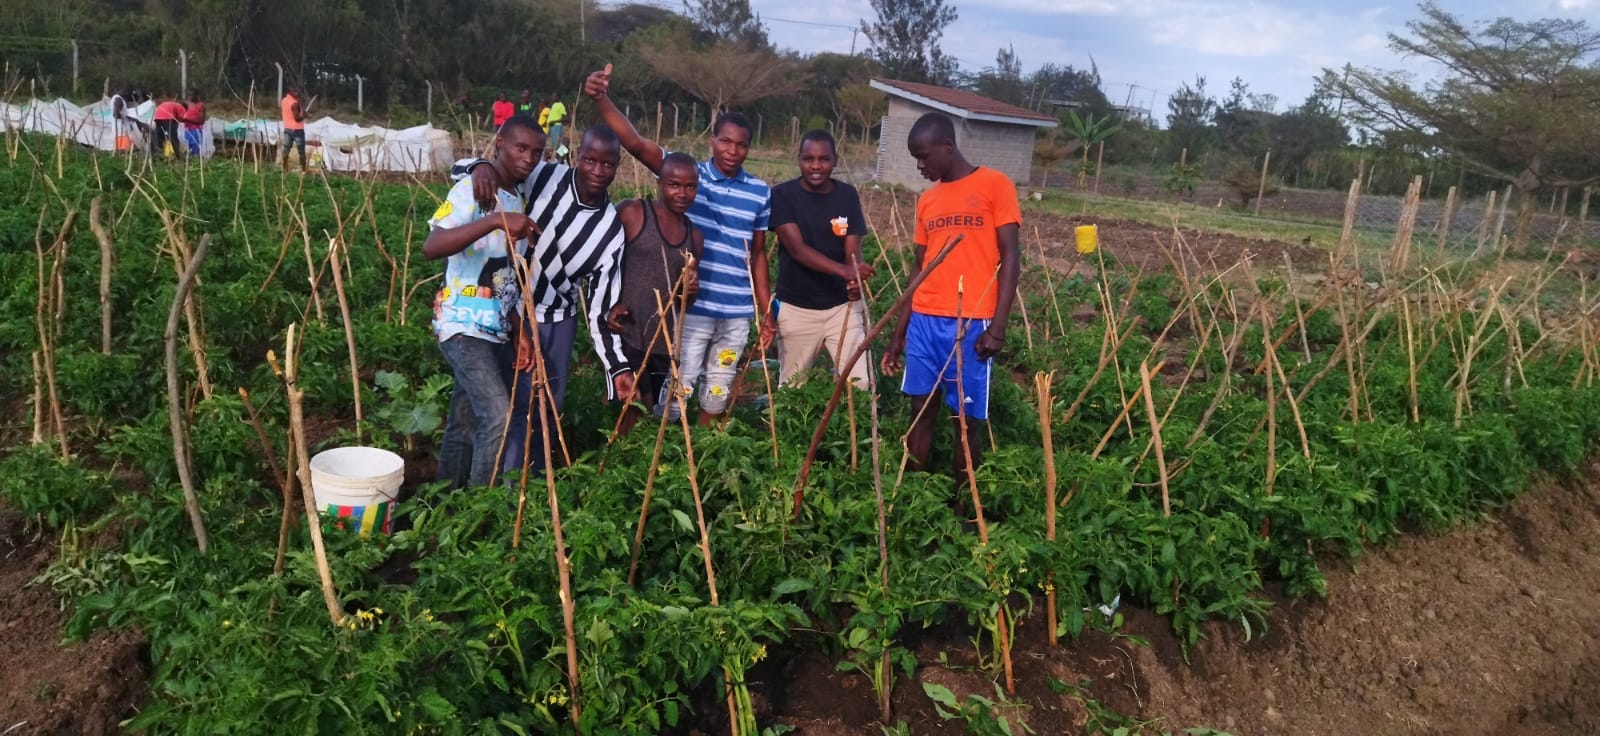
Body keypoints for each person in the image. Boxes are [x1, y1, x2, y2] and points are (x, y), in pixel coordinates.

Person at [583, 63, 774, 428]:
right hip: (691, 308)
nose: (733, 151)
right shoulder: (687, 175)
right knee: (675, 391)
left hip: (735, 310)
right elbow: (635, 142)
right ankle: (663, 455)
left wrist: (766, 311)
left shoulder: (760, 192)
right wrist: (601, 98)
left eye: (742, 144)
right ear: (712, 140)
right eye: (726, 141)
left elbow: (759, 253)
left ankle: (699, 451)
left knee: (718, 390)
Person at [457, 125, 632, 477]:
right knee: (489, 405)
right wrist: (480, 166)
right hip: (502, 310)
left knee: (542, 408)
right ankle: (480, 485)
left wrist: (617, 369)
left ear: (618, 166)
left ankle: (526, 485)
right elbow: (473, 170)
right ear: (576, 157)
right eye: (590, 160)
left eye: (607, 164)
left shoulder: (610, 229)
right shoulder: (545, 175)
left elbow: (600, 307)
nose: (598, 171)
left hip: (556, 321)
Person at [880, 112, 1022, 487]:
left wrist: (999, 328)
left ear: (948, 146)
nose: (920, 166)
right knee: (919, 410)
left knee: (966, 420)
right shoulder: (928, 200)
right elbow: (918, 269)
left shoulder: (995, 185)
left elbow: (1011, 257)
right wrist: (899, 334)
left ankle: (965, 506)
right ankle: (915, 497)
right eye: (916, 159)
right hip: (925, 321)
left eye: (924, 157)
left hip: (972, 322)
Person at [424, 115, 543, 489]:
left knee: (464, 421)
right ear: (500, 145)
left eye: (536, 152)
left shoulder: (516, 198)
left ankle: (445, 500)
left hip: (494, 330)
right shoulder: (472, 191)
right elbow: (433, 246)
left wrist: (520, 331)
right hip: (461, 325)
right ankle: (477, 509)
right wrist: (494, 221)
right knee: (498, 414)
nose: (528, 158)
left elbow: (508, 277)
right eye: (520, 148)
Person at [603, 152, 704, 436]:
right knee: (632, 407)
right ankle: (614, 466)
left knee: (650, 414)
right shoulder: (633, 213)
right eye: (674, 185)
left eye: (690, 187)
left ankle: (632, 467)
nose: (682, 193)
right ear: (659, 183)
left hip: (663, 342)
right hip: (628, 332)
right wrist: (610, 303)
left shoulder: (694, 237)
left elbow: (687, 300)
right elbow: (602, 261)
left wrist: (690, 290)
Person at [770, 130, 875, 389]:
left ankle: (852, 429)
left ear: (835, 160)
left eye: (824, 159)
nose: (816, 166)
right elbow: (796, 248)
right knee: (793, 389)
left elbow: (852, 248)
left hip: (842, 308)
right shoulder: (783, 195)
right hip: (797, 309)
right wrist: (845, 272)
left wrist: (854, 276)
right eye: (808, 159)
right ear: (799, 160)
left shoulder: (847, 195)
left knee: (860, 385)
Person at [281, 86, 307, 170]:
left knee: (286, 149)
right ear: (291, 92)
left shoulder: (284, 100)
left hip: (287, 129)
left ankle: (284, 168)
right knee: (301, 151)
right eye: (295, 92)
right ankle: (303, 170)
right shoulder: (294, 104)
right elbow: (297, 119)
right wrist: (304, 116)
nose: (297, 94)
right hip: (297, 130)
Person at [181, 89, 206, 157]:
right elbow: (183, 117)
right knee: (188, 150)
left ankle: (197, 163)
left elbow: (201, 121)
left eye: (191, 96)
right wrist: (182, 119)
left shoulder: (201, 105)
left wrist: (188, 119)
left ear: (196, 95)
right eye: (188, 96)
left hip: (196, 131)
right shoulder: (187, 104)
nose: (189, 97)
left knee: (196, 150)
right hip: (187, 130)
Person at [544, 95, 568, 159]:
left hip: (557, 126)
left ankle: (562, 157)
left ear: (558, 97)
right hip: (553, 127)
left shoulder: (560, 105)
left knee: (557, 144)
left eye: (554, 96)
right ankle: (557, 158)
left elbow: (565, 118)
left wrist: (554, 121)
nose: (552, 98)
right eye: (552, 96)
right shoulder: (554, 105)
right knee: (554, 145)